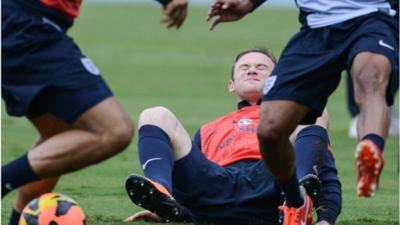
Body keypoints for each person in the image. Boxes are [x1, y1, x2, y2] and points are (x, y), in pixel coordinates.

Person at [207, 1, 397, 223]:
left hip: (373, 17)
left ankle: (370, 149)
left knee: (370, 78)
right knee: (270, 130)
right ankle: (297, 201)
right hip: (315, 27)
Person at [1, 0, 188, 224]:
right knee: (113, 130)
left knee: (61, 134)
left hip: (25, 22)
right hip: (26, 23)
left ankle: (17, 220)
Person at [124, 48, 342, 225]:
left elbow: (325, 171)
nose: (252, 70)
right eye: (244, 67)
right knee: (155, 115)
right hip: (217, 189)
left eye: (262, 67)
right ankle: (162, 192)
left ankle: (299, 202)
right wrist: (175, 212)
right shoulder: (209, 129)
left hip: (276, 184)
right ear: (231, 84)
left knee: (315, 110)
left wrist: (326, 219)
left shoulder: (292, 117)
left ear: (278, 80)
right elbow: (191, 175)